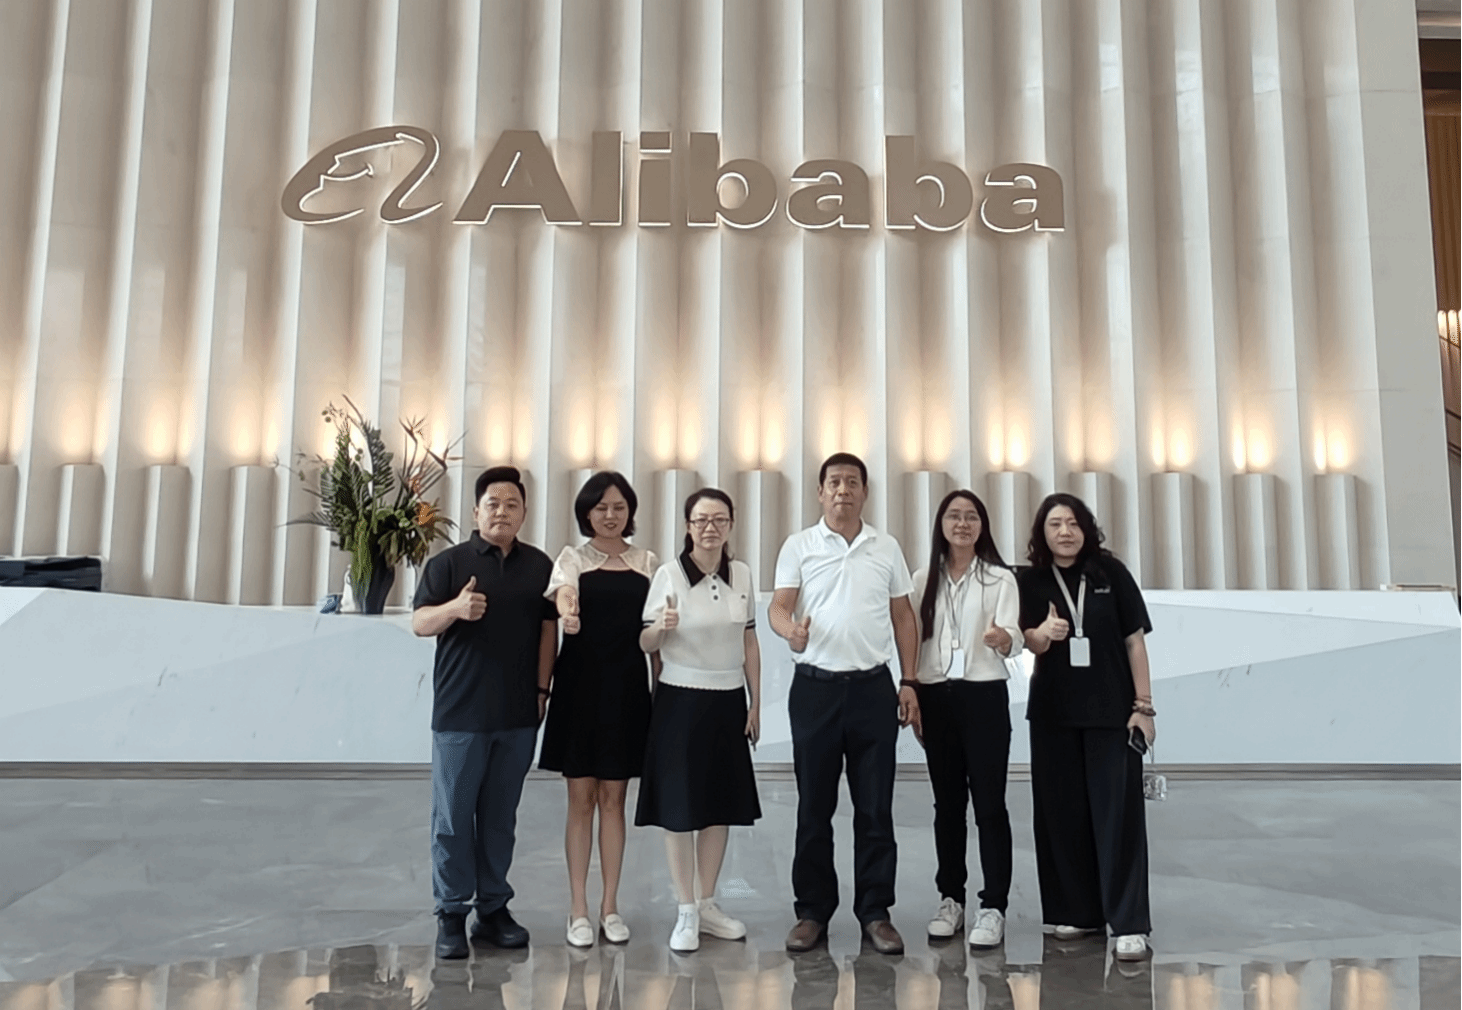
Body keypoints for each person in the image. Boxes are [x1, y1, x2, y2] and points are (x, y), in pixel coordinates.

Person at [769, 452, 922, 955]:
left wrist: (909, 680)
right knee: (814, 806)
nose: (843, 490)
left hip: (873, 689)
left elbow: (903, 616)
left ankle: (876, 912)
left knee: (875, 807)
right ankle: (812, 912)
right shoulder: (800, 545)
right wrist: (790, 631)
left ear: (864, 492)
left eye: (852, 482)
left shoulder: (886, 546)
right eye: (833, 482)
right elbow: (779, 606)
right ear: (820, 492)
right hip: (815, 690)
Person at [411, 466, 558, 960]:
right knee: (452, 819)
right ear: (476, 512)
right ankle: (451, 913)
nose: (502, 512)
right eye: (493, 503)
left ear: (524, 513)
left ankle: (493, 909)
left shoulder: (539, 567)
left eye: (512, 504)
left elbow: (548, 630)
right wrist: (454, 608)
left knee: (499, 819)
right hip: (460, 715)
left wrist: (542, 689)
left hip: (518, 715)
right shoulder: (449, 563)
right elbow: (419, 622)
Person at [1017, 493, 1156, 961]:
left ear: (1087, 529)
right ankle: (1077, 912)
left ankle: (1129, 922)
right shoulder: (1030, 581)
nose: (1065, 532)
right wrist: (1041, 636)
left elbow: (1134, 643)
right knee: (1060, 816)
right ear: (1042, 533)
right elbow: (1022, 640)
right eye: (1055, 524)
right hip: (1053, 716)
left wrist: (1144, 707)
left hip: (1111, 716)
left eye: (1073, 523)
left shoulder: (1110, 573)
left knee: (1118, 819)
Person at [636, 488, 763, 952]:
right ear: (688, 526)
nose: (711, 528)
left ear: (731, 525)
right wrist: (660, 628)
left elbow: (749, 641)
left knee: (718, 806)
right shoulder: (668, 575)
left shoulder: (742, 574)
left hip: (728, 701)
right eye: (701, 520)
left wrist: (755, 702)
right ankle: (685, 908)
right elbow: (645, 643)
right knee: (680, 809)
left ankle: (708, 904)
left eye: (720, 519)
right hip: (680, 701)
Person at [539, 471, 658, 948]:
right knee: (580, 800)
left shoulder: (647, 562)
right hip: (579, 689)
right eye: (601, 507)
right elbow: (564, 595)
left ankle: (610, 906)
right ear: (586, 513)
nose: (611, 515)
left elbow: (656, 634)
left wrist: (661, 690)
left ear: (630, 512)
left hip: (627, 691)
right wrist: (569, 612)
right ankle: (578, 909)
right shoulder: (572, 558)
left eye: (619, 507)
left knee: (614, 800)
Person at [909, 490, 1021, 949]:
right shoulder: (922, 579)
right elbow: (913, 639)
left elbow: (1014, 636)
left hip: (984, 695)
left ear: (982, 525)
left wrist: (1002, 639)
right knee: (948, 805)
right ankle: (950, 898)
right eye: (953, 516)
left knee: (990, 805)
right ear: (941, 524)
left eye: (971, 516)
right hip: (937, 696)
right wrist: (913, 691)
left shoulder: (999, 578)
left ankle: (993, 906)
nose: (962, 524)